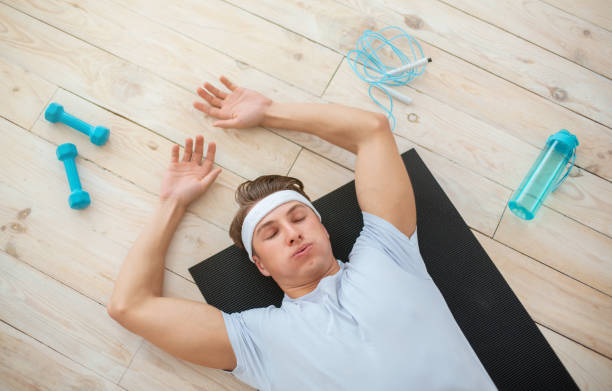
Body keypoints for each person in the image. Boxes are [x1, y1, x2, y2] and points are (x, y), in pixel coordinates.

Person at [107, 76, 497, 390]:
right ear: (259, 264)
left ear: (323, 229)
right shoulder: (258, 341)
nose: (292, 233)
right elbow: (129, 306)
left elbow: (372, 131)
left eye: (299, 217)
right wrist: (172, 204)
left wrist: (270, 112)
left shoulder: (388, 254)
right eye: (271, 233)